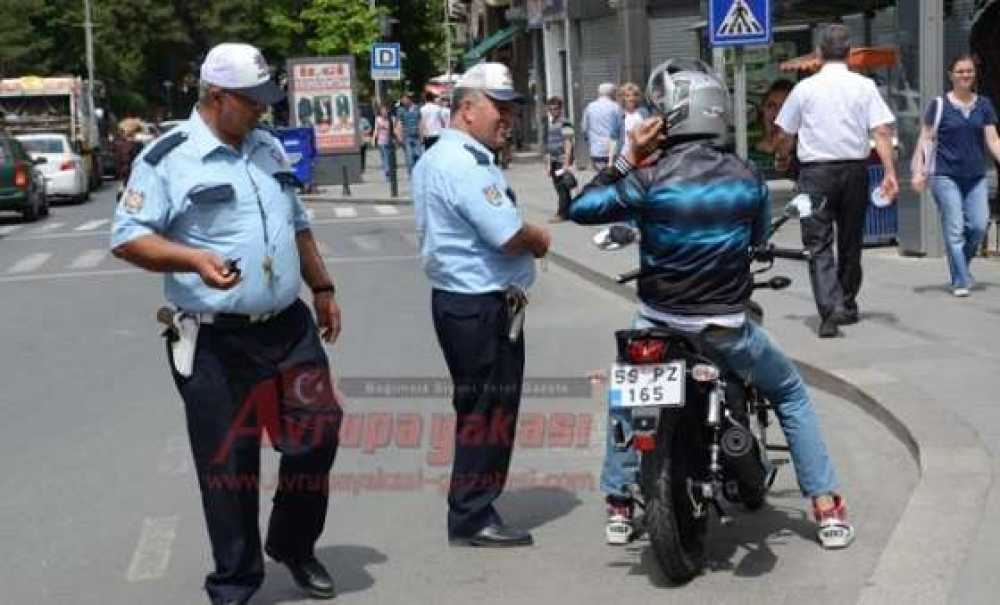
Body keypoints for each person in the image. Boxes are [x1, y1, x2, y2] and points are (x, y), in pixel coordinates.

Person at [569, 62, 855, 551]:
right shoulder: (746, 178)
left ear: (671, 116)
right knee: (789, 393)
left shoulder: (648, 177)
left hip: (658, 321)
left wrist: (626, 158)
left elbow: (580, 208)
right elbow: (758, 239)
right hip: (726, 327)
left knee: (627, 393)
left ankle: (618, 504)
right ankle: (826, 507)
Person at [110, 43, 343, 604]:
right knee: (230, 464)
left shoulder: (266, 147)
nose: (264, 110)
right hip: (215, 338)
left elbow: (298, 223)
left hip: (288, 327)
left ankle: (291, 542)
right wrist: (191, 259)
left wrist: (323, 287)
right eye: (252, 100)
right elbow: (127, 237)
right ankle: (236, 583)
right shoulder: (168, 157)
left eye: (267, 99)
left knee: (319, 431)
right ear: (217, 97)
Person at [412, 62, 551, 547]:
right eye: (500, 107)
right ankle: (473, 514)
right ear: (467, 108)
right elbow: (507, 234)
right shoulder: (464, 163)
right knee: (488, 410)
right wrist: (540, 237)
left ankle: (471, 506)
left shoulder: (445, 157)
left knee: (480, 407)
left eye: (512, 108)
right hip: (479, 307)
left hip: (464, 303)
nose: (507, 118)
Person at [775, 24, 899, 339]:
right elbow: (881, 131)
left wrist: (782, 157)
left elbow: (785, 133)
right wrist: (889, 173)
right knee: (850, 240)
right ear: (849, 53)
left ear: (818, 54)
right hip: (854, 172)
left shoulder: (804, 89)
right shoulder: (865, 86)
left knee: (817, 243)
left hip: (814, 175)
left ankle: (829, 311)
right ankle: (846, 302)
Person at [911, 54, 1000, 297]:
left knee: (979, 225)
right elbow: (926, 138)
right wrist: (919, 171)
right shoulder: (939, 105)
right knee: (955, 228)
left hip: (976, 176)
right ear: (951, 75)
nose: (965, 75)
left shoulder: (984, 105)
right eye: (960, 71)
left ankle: (961, 266)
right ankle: (961, 280)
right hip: (944, 175)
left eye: (969, 71)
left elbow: (992, 140)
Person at [542, 96, 575, 222]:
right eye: (550, 109)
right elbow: (549, 145)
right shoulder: (552, 124)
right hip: (554, 159)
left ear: (560, 109)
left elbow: (568, 142)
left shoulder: (565, 122)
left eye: (555, 109)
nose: (553, 111)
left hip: (561, 159)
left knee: (562, 187)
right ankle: (569, 210)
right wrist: (548, 163)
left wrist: (566, 162)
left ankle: (562, 213)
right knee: (560, 186)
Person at [749, 79, 793, 172]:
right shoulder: (747, 154)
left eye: (784, 107)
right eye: (771, 106)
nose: (777, 113)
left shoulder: (807, 155)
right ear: (762, 109)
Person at [581, 82, 622, 171]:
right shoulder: (616, 107)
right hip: (612, 150)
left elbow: (584, 128)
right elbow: (620, 127)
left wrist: (589, 141)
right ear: (611, 93)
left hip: (596, 150)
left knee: (600, 176)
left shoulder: (590, 107)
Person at [610, 82, 647, 161]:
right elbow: (613, 138)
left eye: (634, 95)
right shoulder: (619, 114)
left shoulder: (643, 112)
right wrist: (610, 162)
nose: (631, 98)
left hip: (642, 157)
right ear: (623, 98)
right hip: (624, 156)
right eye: (627, 96)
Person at [395, 93, 423, 174]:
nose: (403, 101)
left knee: (419, 156)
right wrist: (399, 136)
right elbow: (398, 124)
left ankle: (418, 172)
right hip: (406, 137)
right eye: (402, 100)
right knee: (409, 157)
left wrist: (422, 135)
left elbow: (420, 122)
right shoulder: (400, 110)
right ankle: (412, 174)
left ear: (409, 99)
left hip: (417, 136)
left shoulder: (417, 108)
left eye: (405, 99)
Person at [372, 103, 394, 181]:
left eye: (385, 111)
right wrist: (373, 139)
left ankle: (388, 171)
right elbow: (376, 129)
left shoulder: (390, 119)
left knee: (387, 157)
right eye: (383, 111)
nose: (384, 112)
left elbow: (391, 130)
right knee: (383, 157)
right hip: (380, 141)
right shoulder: (378, 119)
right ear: (380, 112)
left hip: (388, 140)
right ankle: (386, 173)